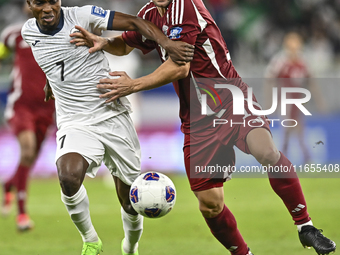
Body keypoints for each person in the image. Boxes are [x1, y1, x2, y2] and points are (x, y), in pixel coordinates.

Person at [70, 0, 336, 254]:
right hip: (197, 121)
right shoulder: (150, 14)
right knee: (210, 205)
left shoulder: (185, 6)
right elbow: (126, 45)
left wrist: (133, 85)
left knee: (265, 151)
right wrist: (104, 42)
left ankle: (305, 226)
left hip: (230, 99)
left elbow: (179, 68)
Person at [22, 0, 193, 254]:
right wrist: (51, 80)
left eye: (53, 1)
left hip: (111, 113)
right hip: (75, 120)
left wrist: (166, 44)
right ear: (29, 4)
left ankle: (130, 246)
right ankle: (91, 240)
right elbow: (49, 54)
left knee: (129, 201)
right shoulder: (29, 31)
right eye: (40, 3)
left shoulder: (83, 15)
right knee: (68, 177)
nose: (48, 8)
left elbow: (136, 22)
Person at [0, 2, 55, 231]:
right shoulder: (13, 34)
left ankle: (10, 185)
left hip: (47, 108)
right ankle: (22, 214)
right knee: (28, 150)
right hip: (21, 105)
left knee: (29, 159)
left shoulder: (60, 35)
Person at [265, 32, 325, 164]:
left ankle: (286, 160)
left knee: (297, 130)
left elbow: (311, 82)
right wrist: (271, 102)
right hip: (285, 101)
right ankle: (298, 160)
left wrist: (319, 101)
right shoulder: (280, 61)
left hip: (298, 103)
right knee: (291, 130)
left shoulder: (303, 62)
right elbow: (270, 79)